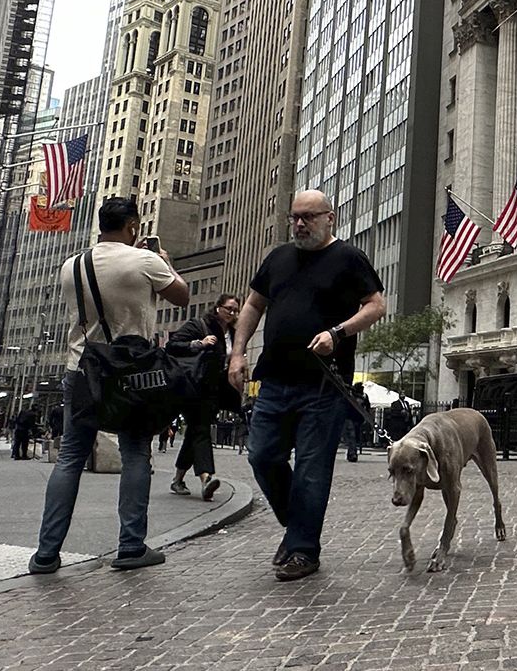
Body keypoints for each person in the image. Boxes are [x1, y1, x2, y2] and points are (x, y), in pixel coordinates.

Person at [228, 190, 385, 581]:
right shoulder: (278, 258)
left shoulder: (349, 258)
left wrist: (338, 332)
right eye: (295, 217)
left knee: (312, 471)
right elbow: (252, 305)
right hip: (275, 379)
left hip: (323, 385)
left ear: (329, 218)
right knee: (262, 456)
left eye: (309, 217)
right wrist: (238, 352)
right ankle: (297, 527)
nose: (300, 224)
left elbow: (376, 305)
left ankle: (302, 549)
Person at [29, 196, 189, 575]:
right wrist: (164, 259)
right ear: (132, 226)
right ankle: (131, 545)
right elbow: (181, 296)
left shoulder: (73, 265)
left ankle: (46, 553)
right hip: (133, 374)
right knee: (136, 452)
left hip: (82, 369)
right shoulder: (145, 261)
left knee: (70, 457)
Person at [167, 294, 240, 500]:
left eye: (236, 310)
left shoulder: (234, 333)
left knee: (194, 433)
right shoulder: (200, 325)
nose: (232, 313)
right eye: (229, 309)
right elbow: (172, 345)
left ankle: (178, 479)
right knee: (201, 430)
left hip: (214, 391)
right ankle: (206, 477)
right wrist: (198, 343)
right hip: (192, 386)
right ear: (217, 308)